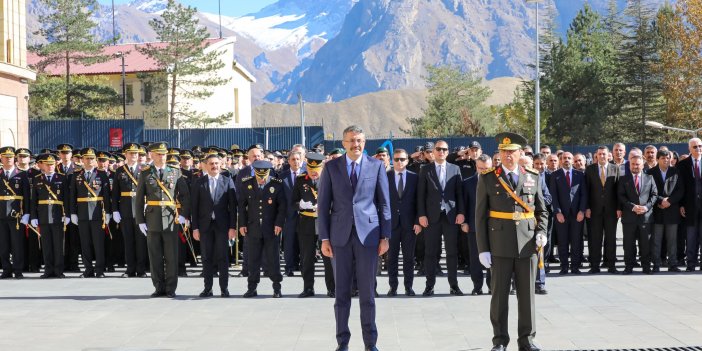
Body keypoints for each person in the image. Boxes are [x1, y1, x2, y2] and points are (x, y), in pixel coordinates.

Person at [318, 125, 391, 351]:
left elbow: (384, 204)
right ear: (343, 143)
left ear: (364, 142)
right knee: (341, 295)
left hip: (368, 237)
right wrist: (324, 238)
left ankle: (370, 343)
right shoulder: (331, 168)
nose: (356, 144)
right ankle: (342, 343)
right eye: (351, 141)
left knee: (368, 294)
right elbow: (323, 206)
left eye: (359, 140)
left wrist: (385, 236)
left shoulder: (376, 166)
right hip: (339, 238)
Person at [476, 132, 548, 351]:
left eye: (512, 152)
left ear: (520, 154)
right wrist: (483, 249)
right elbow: (479, 216)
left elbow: (542, 210)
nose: (508, 156)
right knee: (499, 298)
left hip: (527, 246)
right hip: (499, 245)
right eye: (504, 152)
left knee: (527, 297)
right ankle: (499, 341)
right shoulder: (488, 177)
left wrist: (542, 231)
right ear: (499, 153)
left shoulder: (532, 176)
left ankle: (527, 340)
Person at [136, 142, 190, 298]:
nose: (162, 156)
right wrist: (140, 220)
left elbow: (185, 195)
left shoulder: (175, 171)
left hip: (171, 219)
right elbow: (139, 199)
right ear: (151, 155)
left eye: (164, 154)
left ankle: (171, 288)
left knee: (171, 256)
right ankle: (159, 287)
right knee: (155, 255)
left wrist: (183, 214)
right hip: (152, 218)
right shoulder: (145, 173)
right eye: (158, 154)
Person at [417, 140, 465, 296]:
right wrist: (421, 215)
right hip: (431, 217)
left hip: (451, 216)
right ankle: (429, 285)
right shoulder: (425, 169)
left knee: (452, 252)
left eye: (444, 149)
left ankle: (454, 285)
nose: (441, 152)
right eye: (438, 149)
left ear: (447, 151)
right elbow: (421, 195)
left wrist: (461, 212)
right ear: (433, 151)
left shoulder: (455, 169)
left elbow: (459, 194)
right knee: (430, 252)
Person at [191, 153, 237, 298]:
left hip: (222, 226)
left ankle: (224, 288)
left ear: (220, 164)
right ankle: (208, 288)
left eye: (216, 163)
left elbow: (233, 207)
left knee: (223, 257)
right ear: (206, 165)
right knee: (206, 257)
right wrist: (195, 228)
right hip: (205, 226)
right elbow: (194, 208)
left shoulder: (227, 181)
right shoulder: (199, 182)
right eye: (211, 163)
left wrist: (232, 227)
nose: (214, 166)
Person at [238, 160, 286, 298]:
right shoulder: (246, 183)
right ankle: (252, 288)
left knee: (273, 259)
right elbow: (241, 207)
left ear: (267, 173)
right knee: (253, 260)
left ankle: (277, 287)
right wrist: (242, 224)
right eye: (258, 176)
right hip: (253, 228)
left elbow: (282, 207)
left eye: (263, 177)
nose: (260, 179)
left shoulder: (276, 184)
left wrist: (279, 223)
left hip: (271, 228)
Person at [69, 147, 112, 278]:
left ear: (95, 160)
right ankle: (88, 269)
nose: (89, 160)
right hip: (82, 213)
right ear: (82, 160)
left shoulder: (102, 174)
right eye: (86, 158)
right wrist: (73, 213)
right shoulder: (76, 175)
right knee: (85, 243)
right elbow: (72, 195)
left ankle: (99, 270)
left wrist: (108, 212)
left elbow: (106, 195)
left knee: (98, 243)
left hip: (97, 214)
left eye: (92, 158)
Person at [386, 148, 420, 297]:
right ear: (392, 161)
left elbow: (419, 201)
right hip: (391, 225)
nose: (399, 162)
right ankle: (393, 287)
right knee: (391, 258)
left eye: (402, 159)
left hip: (409, 224)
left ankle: (408, 287)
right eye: (396, 159)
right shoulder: (385, 176)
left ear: (407, 161)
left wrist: (418, 221)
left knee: (408, 258)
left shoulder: (415, 177)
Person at [291, 152, 326, 298]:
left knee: (328, 259)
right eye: (311, 170)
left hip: (324, 223)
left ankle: (332, 288)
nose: (313, 173)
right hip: (306, 223)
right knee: (306, 258)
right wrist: (300, 205)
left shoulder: (327, 180)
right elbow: (292, 202)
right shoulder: (300, 180)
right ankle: (308, 288)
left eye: (316, 170)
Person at [30, 153, 71, 279]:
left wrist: (67, 214)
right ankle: (48, 270)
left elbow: (66, 198)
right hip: (43, 215)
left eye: (52, 164)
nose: (50, 167)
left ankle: (58, 270)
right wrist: (33, 216)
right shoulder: (37, 179)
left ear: (55, 165)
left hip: (58, 215)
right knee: (46, 245)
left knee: (58, 245)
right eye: (47, 165)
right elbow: (34, 200)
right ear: (42, 165)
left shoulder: (62, 178)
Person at [112, 143, 148, 278]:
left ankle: (141, 269)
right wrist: (115, 210)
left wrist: (147, 204)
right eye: (130, 153)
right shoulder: (120, 171)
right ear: (125, 155)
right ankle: (130, 269)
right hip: (126, 210)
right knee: (128, 241)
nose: (133, 156)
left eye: (135, 153)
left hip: (140, 210)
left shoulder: (144, 170)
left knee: (140, 242)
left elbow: (149, 191)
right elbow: (115, 193)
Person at [618, 155, 657, 274]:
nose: (635, 166)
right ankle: (628, 267)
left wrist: (646, 207)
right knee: (628, 244)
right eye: (633, 164)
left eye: (638, 164)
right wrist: (632, 207)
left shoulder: (649, 178)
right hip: (629, 217)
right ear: (629, 165)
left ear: (642, 165)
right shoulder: (623, 179)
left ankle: (646, 267)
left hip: (645, 217)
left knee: (645, 243)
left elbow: (654, 195)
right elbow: (620, 196)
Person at [584, 146, 621, 274]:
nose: (602, 156)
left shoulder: (615, 168)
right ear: (596, 156)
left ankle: (611, 265)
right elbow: (586, 191)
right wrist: (587, 207)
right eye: (600, 154)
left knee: (611, 238)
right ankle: (595, 265)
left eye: (604, 154)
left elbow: (618, 191)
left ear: (608, 155)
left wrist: (619, 208)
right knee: (595, 238)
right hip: (594, 210)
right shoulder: (589, 170)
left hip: (611, 211)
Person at [550, 152, 587, 275]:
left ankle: (575, 267)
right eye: (564, 158)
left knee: (576, 241)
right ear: (560, 160)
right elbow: (553, 196)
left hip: (577, 214)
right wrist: (558, 212)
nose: (566, 160)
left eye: (569, 158)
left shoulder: (580, 175)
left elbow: (584, 195)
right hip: (562, 215)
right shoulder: (555, 175)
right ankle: (564, 266)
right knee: (562, 241)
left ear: (572, 160)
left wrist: (582, 210)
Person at [462, 153, 492, 295]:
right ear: (476, 167)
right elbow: (464, 205)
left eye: (486, 168)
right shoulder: (468, 182)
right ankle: (477, 286)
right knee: (475, 258)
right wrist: (465, 223)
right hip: (474, 227)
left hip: (494, 227)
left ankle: (492, 285)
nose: (483, 171)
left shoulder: (498, 181)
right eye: (481, 168)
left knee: (493, 257)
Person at [649, 149, 683, 272]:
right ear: (658, 159)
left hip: (672, 210)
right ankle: (656, 264)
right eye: (663, 158)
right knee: (656, 240)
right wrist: (661, 201)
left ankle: (672, 264)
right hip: (657, 211)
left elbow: (680, 190)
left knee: (672, 240)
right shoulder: (650, 172)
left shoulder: (676, 172)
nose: (666, 160)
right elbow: (649, 191)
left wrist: (669, 201)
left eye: (668, 158)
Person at [0, 147, 30, 279]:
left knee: (17, 244)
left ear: (15, 158)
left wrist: (27, 213)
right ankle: (6, 269)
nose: (8, 159)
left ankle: (18, 269)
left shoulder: (22, 174)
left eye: (11, 156)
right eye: (5, 156)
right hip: (0, 214)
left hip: (16, 214)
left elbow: (26, 195)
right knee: (3, 244)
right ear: (1, 158)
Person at [677, 138, 702, 272]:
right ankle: (691, 264)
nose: (698, 149)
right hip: (689, 207)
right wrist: (681, 204)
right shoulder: (683, 165)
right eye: (695, 147)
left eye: (700, 146)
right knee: (691, 237)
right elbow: (680, 187)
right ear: (689, 149)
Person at [280, 151, 305, 277]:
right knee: (288, 242)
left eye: (298, 159)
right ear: (288, 161)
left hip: (305, 215)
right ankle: (289, 267)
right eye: (293, 159)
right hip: (288, 215)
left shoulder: (307, 175)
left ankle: (304, 267)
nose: (296, 161)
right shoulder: (282, 176)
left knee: (304, 242)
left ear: (302, 160)